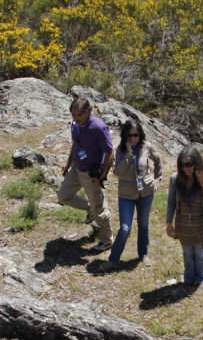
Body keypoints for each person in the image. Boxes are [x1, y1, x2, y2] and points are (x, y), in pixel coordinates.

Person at [57, 98, 114, 252]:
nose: (76, 118)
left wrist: (102, 175)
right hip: (77, 168)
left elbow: (110, 151)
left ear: (89, 112)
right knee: (63, 196)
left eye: (79, 115)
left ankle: (107, 240)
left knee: (100, 211)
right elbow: (76, 144)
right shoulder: (75, 125)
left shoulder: (99, 128)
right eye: (73, 115)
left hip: (92, 174)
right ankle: (89, 210)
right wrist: (68, 164)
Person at [107, 119, 162, 266]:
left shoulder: (147, 147)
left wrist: (157, 180)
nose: (133, 139)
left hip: (146, 192)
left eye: (136, 135)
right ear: (125, 136)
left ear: (140, 135)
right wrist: (129, 156)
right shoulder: (120, 150)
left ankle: (143, 254)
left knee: (143, 224)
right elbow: (117, 171)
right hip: (126, 194)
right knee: (125, 228)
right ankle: (113, 260)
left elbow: (158, 161)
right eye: (129, 136)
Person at [165, 147, 203, 287]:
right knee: (187, 253)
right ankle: (189, 278)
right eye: (182, 165)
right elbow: (171, 203)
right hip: (182, 225)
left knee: (200, 253)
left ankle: (202, 279)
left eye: (188, 164)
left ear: (196, 164)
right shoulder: (175, 179)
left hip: (199, 224)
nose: (185, 168)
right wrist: (169, 223)